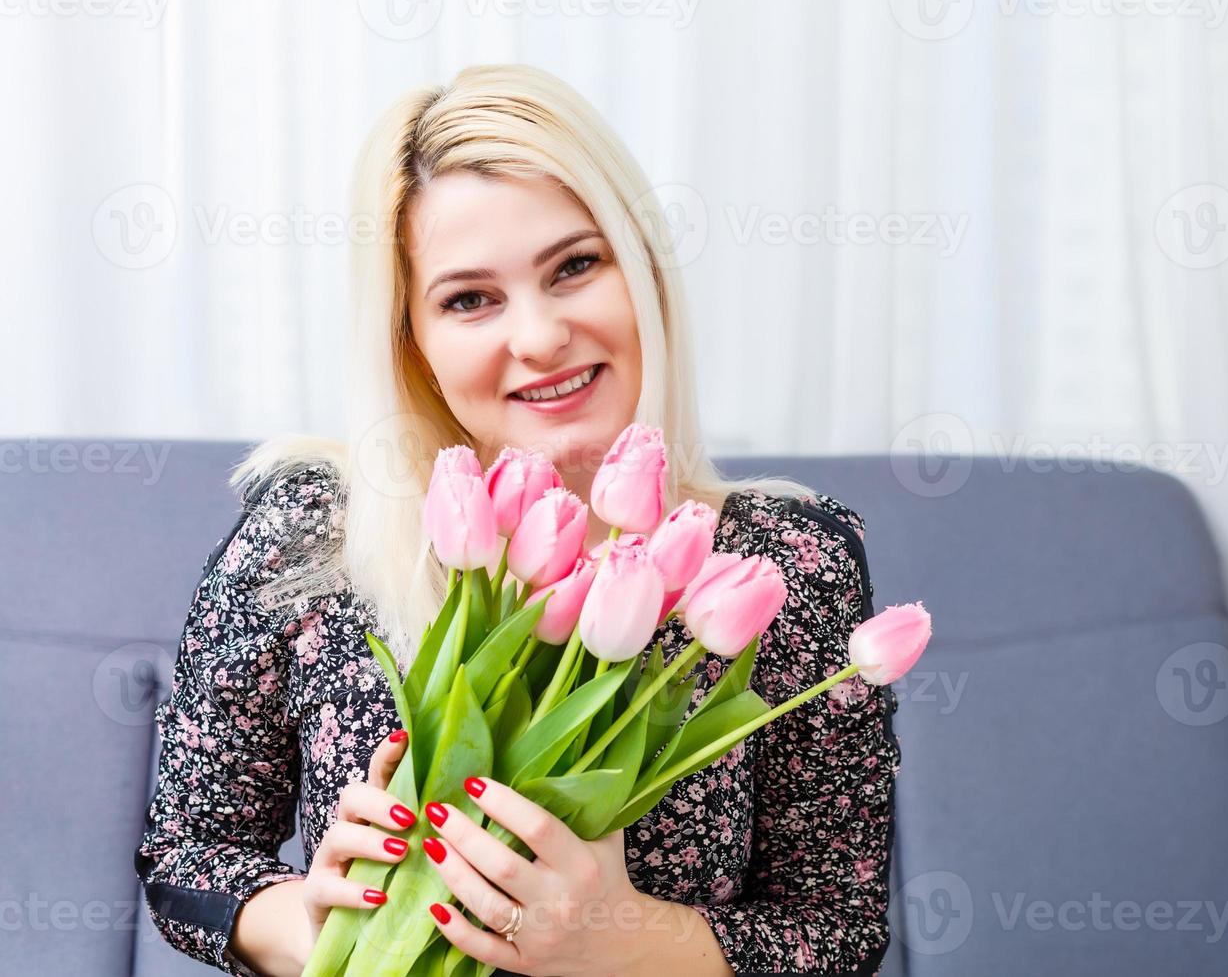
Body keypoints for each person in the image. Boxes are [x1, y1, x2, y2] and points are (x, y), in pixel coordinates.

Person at [134, 63, 901, 976]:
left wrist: (619, 939)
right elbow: (186, 856)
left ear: (644, 271)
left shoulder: (780, 566)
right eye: (469, 299)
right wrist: (318, 924)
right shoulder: (315, 534)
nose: (538, 337)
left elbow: (839, 929)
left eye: (575, 266)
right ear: (409, 337)